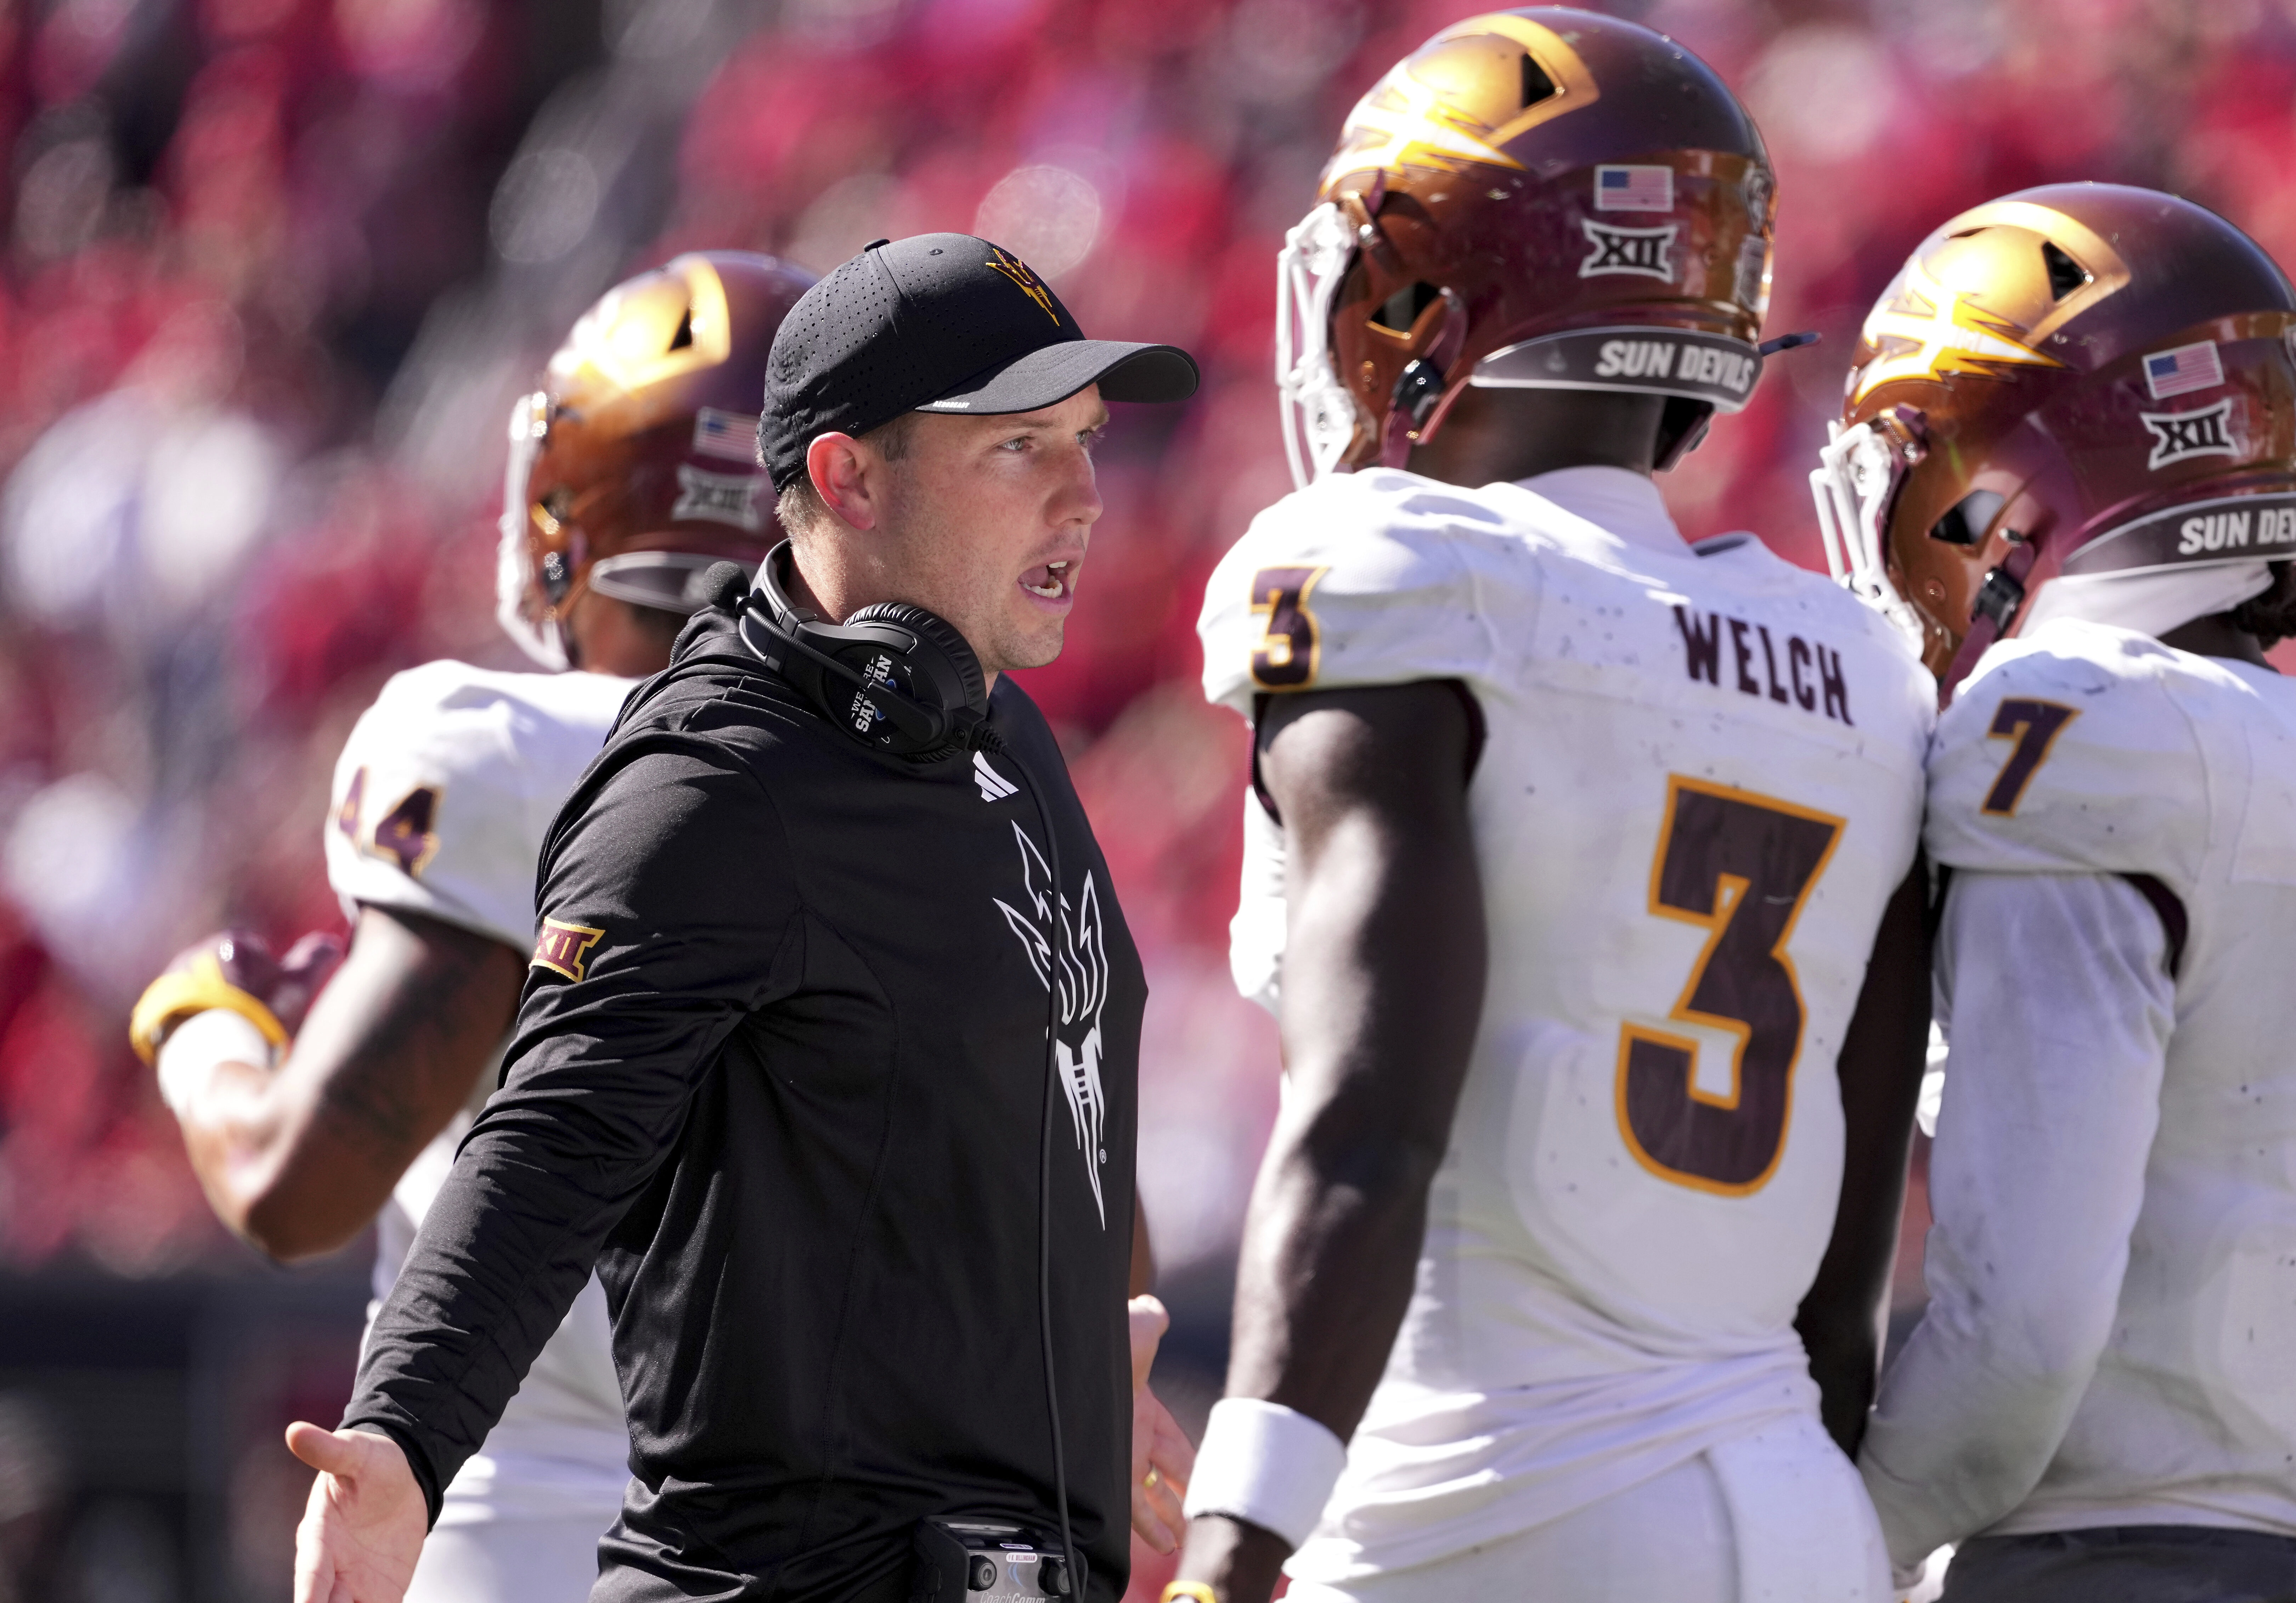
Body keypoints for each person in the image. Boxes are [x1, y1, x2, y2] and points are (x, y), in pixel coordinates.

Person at [268, 232, 1198, 1603]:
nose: (1084, 495)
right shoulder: (710, 784)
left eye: (1087, 438)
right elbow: (551, 1140)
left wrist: (1085, 1368)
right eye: (1019, 448)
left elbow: (1044, 1097)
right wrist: (405, 1435)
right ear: (846, 474)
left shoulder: (1003, 738)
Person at [1169, 12, 1935, 1603]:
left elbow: (1372, 1123)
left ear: (1432, 305)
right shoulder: (1860, 662)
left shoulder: (1407, 579)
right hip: (1792, 1499)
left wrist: (1237, 1545)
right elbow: (1850, 1259)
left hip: (1488, 1504)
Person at [1808, 183, 2296, 1603]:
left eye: (1941, 463)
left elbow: (2020, 1337)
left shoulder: (2077, 728)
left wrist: (1834, 1550)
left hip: (2112, 1564)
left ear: (2032, 477)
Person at [128, 251, 815, 1603]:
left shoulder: (512, 748)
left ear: (582, 499)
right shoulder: (961, 780)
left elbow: (293, 1183)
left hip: (537, 1538)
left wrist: (207, 1019)